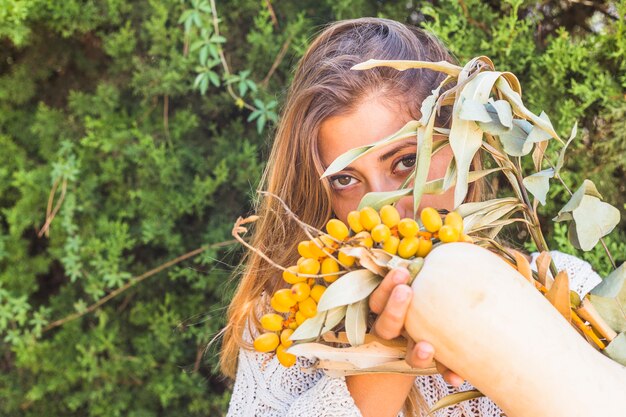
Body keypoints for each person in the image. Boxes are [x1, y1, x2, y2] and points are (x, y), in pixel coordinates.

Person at [220, 17, 603, 417]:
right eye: (345, 179)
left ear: (461, 150)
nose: (382, 209)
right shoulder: (284, 323)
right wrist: (385, 363)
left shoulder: (565, 291)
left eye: (406, 161)